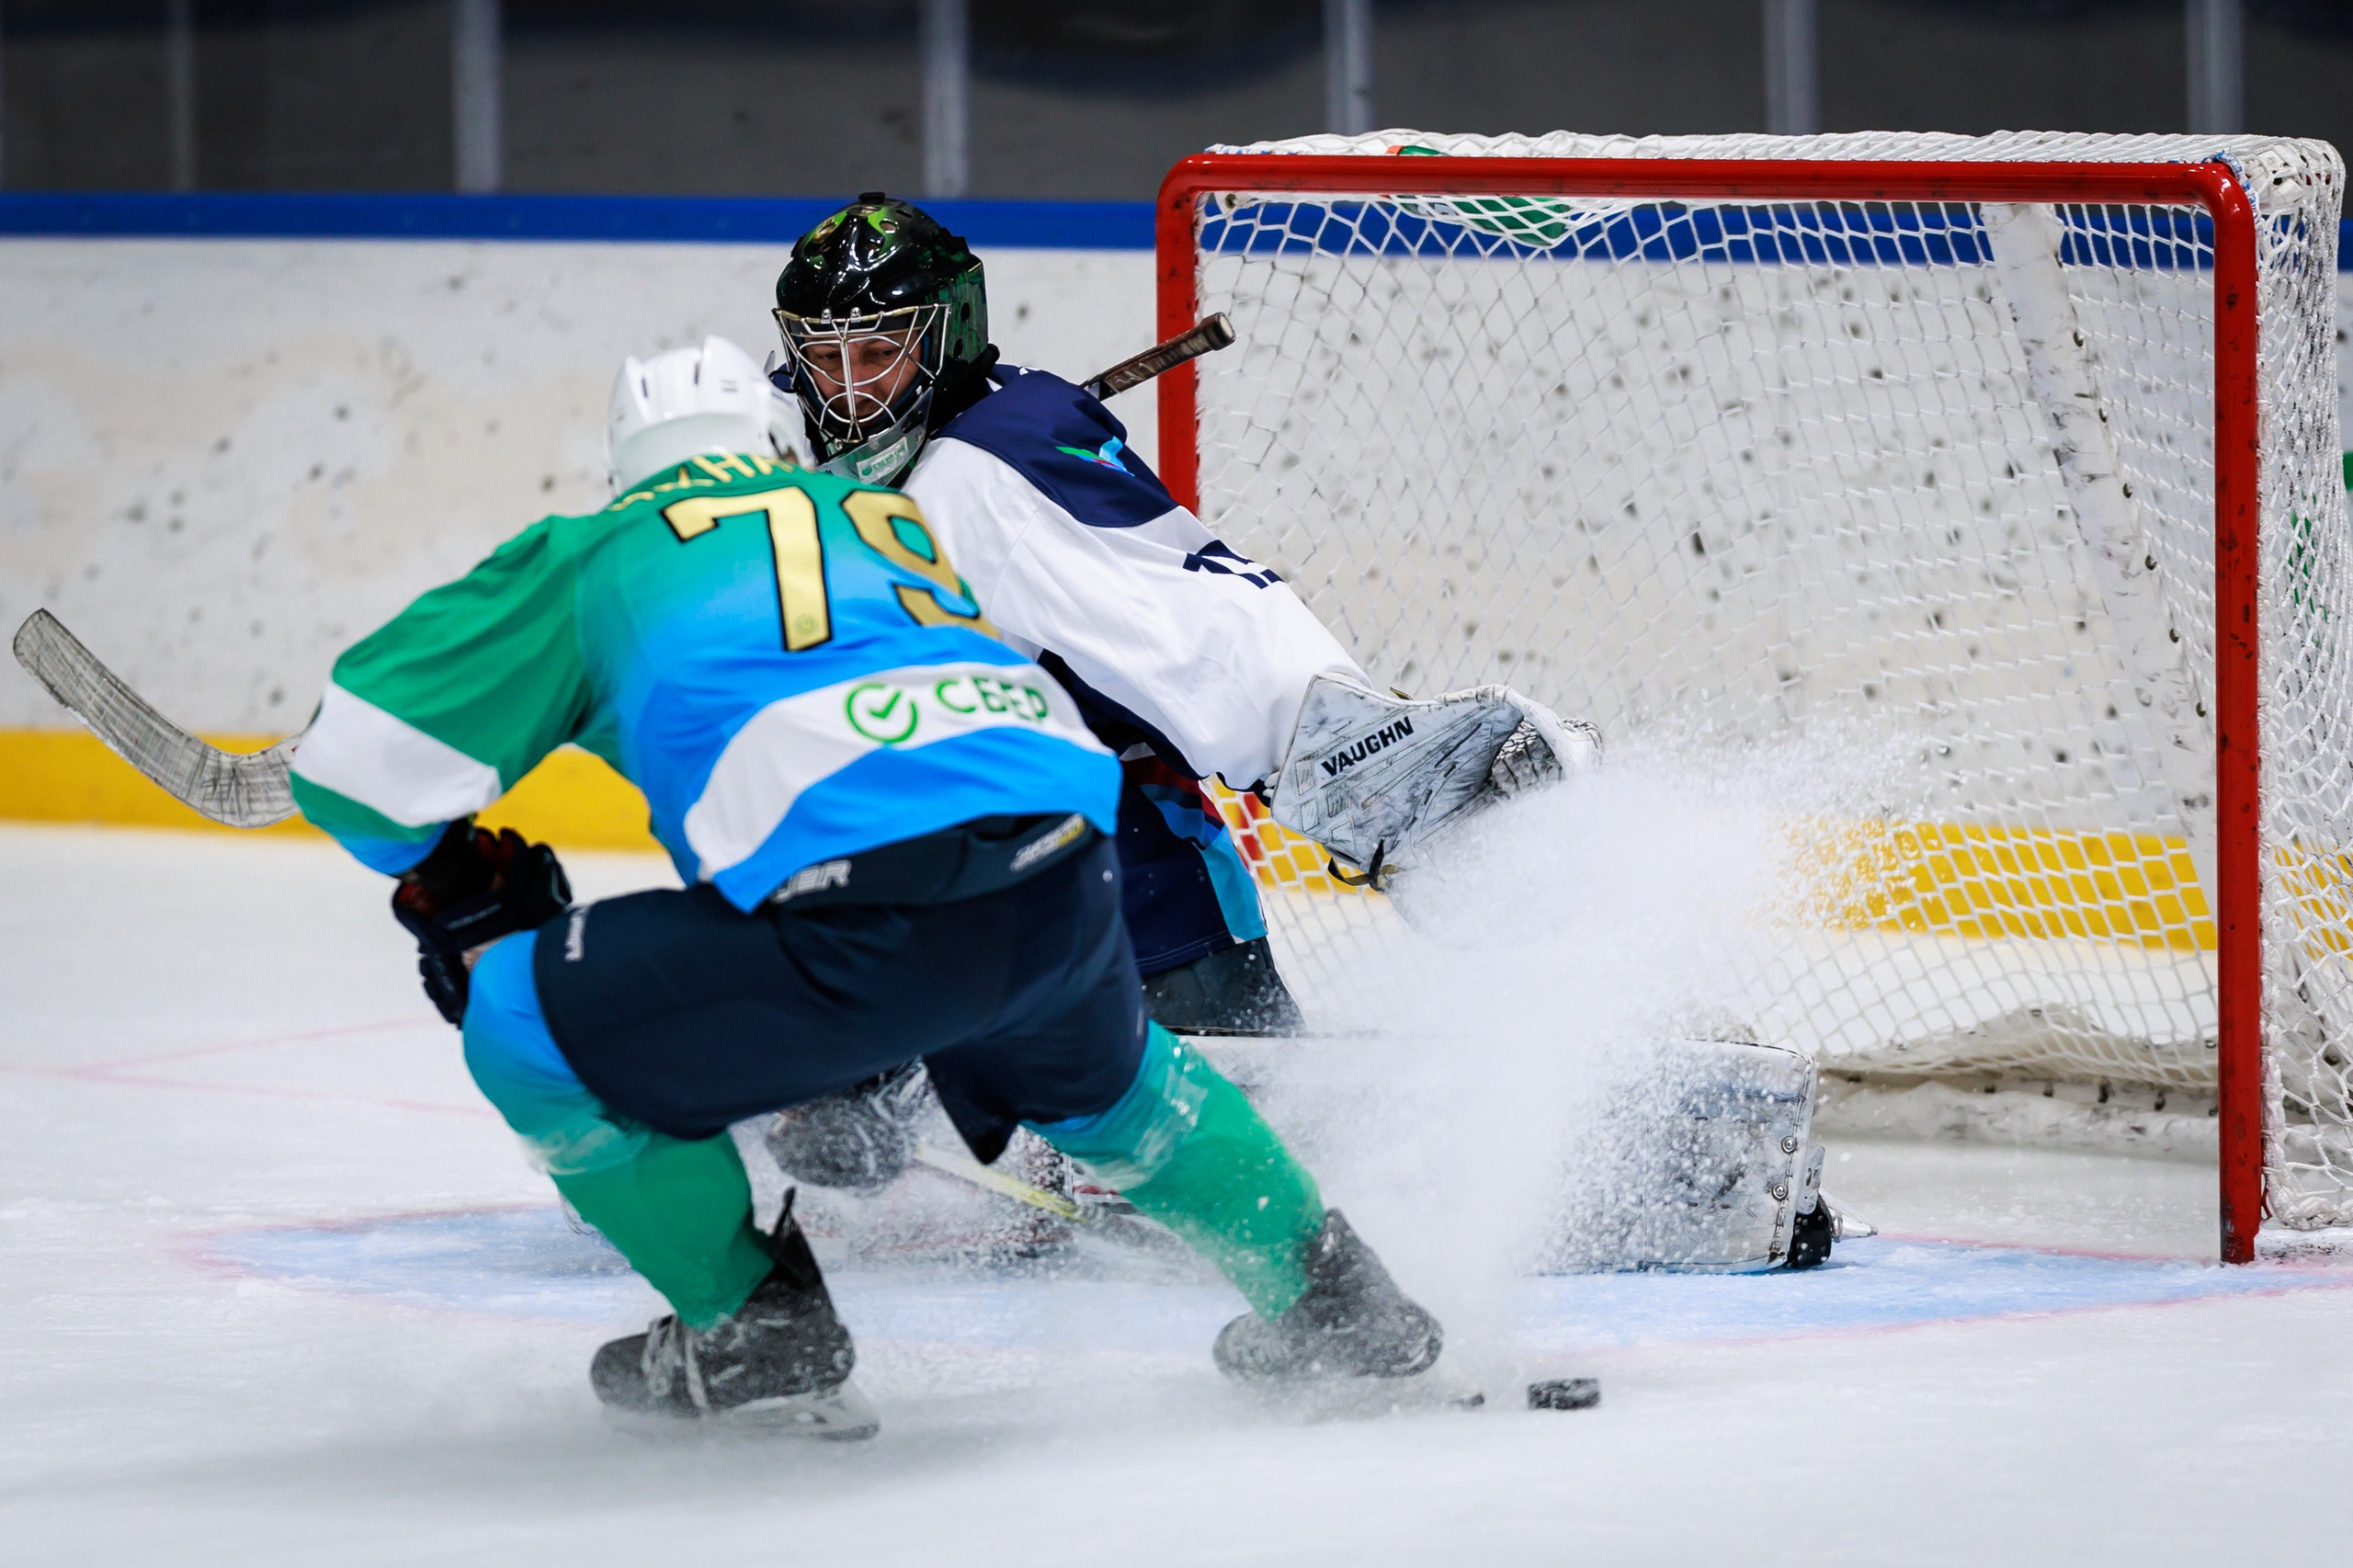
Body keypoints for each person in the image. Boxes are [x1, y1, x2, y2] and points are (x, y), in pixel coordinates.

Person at [282, 335, 1444, 1433]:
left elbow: (350, 768)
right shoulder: (879, 512)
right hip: (1067, 869)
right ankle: (1339, 1303)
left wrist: (447, 880)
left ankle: (752, 1327)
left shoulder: (594, 555)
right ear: (773, 443)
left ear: (622, 472)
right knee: (1115, 1092)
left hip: (861, 920)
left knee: (520, 1018)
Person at [758, 195, 1597, 1190]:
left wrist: (1346, 753)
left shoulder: (989, 468)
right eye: (827, 358)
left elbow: (1198, 619)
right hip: (957, 882)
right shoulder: (800, 436)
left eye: (880, 354)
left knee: (1290, 1175)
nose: (851, 393)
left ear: (949, 339)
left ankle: (1547, 1155)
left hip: (1128, 893)